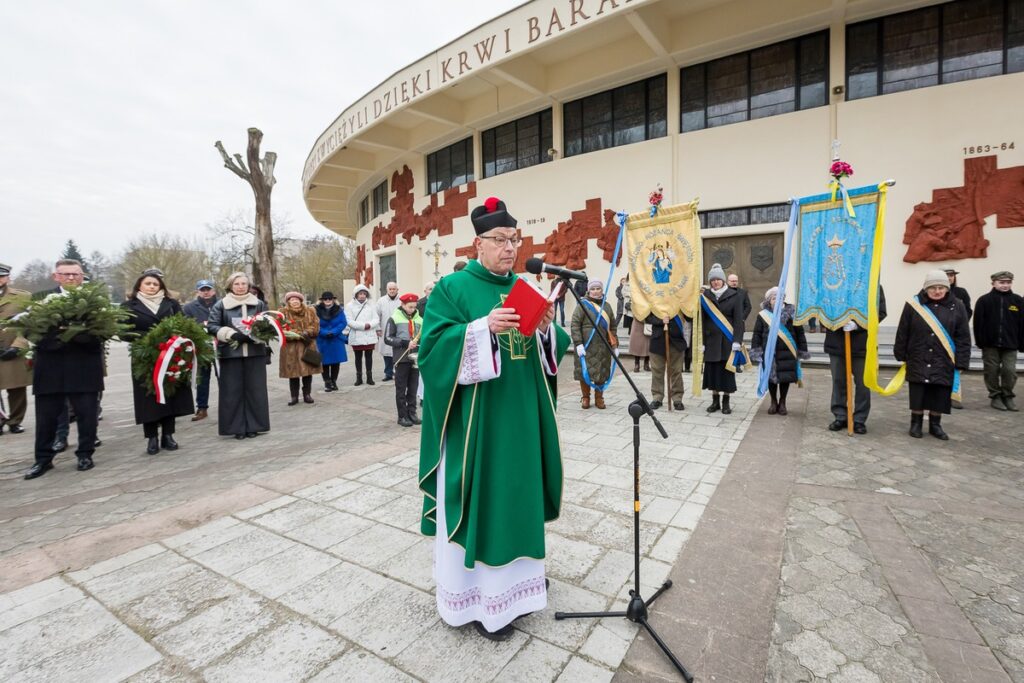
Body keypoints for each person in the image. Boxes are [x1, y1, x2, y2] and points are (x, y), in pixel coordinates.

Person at [417, 196, 570, 641]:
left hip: (521, 419)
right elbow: (431, 352)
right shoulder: (453, 289)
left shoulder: (525, 286)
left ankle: (521, 589)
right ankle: (484, 602)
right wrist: (482, 329)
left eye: (514, 239)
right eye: (499, 240)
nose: (509, 248)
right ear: (477, 244)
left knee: (519, 501)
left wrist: (546, 330)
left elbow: (551, 348)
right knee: (487, 503)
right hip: (478, 427)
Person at [25, 259, 102, 479]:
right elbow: (31, 331)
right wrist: (58, 340)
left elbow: (101, 331)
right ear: (55, 276)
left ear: (82, 276)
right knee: (46, 416)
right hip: (51, 366)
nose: (70, 278)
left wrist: (72, 334)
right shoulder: (40, 299)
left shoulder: (94, 300)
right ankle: (43, 459)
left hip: (84, 365)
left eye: (75, 274)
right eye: (65, 274)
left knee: (87, 415)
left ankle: (85, 454)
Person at [123, 272, 195, 455]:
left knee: (170, 395)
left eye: (156, 284)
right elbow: (123, 331)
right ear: (139, 286)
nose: (152, 286)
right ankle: (152, 437)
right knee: (148, 398)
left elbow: (183, 324)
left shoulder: (171, 304)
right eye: (148, 283)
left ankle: (168, 435)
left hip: (170, 356)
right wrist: (149, 338)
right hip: (144, 357)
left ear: (161, 287)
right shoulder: (129, 306)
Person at [893, 270, 971, 439]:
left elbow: (963, 335)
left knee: (939, 392)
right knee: (918, 391)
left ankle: (935, 425)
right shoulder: (914, 305)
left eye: (941, 287)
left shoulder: (957, 305)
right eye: (933, 287)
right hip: (918, 355)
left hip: (944, 358)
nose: (937, 291)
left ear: (947, 288)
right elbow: (903, 330)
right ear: (925, 288)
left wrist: (962, 361)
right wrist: (900, 353)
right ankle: (916, 423)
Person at [207, 272, 271, 439]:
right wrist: (231, 335)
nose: (241, 287)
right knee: (231, 391)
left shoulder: (258, 303)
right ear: (230, 286)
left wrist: (258, 335)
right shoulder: (221, 305)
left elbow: (268, 323)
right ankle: (236, 428)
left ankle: (255, 426)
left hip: (254, 352)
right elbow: (212, 326)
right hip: (230, 354)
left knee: (256, 390)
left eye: (244, 283)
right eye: (237, 284)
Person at [825, 287, 887, 434]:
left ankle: (859, 419)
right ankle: (840, 415)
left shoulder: (872, 282)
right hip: (837, 342)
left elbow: (880, 312)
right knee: (839, 381)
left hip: (862, 344)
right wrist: (834, 323)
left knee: (862, 384)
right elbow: (824, 310)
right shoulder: (834, 283)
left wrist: (858, 325)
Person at [749, 287, 809, 416]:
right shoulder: (763, 315)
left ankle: (783, 402)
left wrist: (802, 349)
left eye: (779, 297)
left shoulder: (792, 312)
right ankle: (773, 401)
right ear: (769, 300)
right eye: (774, 298)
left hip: (787, 350)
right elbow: (757, 334)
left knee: (784, 378)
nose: (777, 300)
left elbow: (800, 333)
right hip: (769, 351)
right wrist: (756, 350)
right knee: (770, 378)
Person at [973, 270, 1023, 412]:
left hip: (1010, 344)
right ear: (993, 283)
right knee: (992, 370)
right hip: (990, 344)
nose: (1005, 285)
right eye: (1002, 282)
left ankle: (1007, 395)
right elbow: (978, 323)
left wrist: (1021, 342)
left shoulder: (1018, 301)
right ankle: (995, 396)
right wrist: (980, 341)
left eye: (1008, 282)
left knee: (1009, 370)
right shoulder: (984, 300)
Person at [701, 263, 745, 414]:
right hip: (711, 341)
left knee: (726, 373)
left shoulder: (735, 296)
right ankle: (715, 402)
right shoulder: (705, 297)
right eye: (712, 280)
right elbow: (701, 321)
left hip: (728, 341)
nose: (715, 282)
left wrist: (737, 341)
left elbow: (739, 321)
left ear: (723, 280)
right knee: (712, 372)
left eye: (718, 279)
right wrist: (702, 342)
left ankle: (726, 402)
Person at [571, 279, 617, 409]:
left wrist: (615, 344)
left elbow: (612, 326)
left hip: (603, 346)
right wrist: (578, 343)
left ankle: (599, 398)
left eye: (598, 289)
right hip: (586, 346)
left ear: (602, 290)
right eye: (593, 289)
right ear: (588, 291)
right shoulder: (582, 304)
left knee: (601, 372)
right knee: (584, 373)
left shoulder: (606, 306)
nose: (596, 291)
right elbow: (575, 324)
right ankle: (585, 397)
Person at [0, 263, 32, 436]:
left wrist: (18, 345)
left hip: (12, 347)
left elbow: (29, 324)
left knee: (17, 388)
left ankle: (15, 421)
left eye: (1, 276)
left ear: (7, 277)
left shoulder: (22, 297)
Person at [384, 293, 423, 427]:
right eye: (409, 307)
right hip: (402, 358)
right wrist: (405, 343)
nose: (412, 309)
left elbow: (423, 337)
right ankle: (402, 416)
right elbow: (387, 338)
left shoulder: (420, 320)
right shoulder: (394, 318)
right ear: (403, 305)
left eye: (414, 307)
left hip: (416, 358)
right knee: (401, 388)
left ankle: (412, 413)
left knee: (413, 388)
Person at [182, 279, 218, 421]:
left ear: (213, 290)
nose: (206, 292)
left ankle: (228, 405)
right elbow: (185, 326)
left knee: (225, 377)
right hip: (201, 348)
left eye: (208, 289)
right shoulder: (189, 308)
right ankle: (202, 408)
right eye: (202, 290)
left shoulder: (221, 304)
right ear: (198, 292)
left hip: (221, 345)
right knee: (202, 379)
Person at [279, 292, 321, 406]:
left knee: (308, 372)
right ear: (288, 301)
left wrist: (307, 332)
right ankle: (294, 396)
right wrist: (297, 334)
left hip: (307, 345)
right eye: (292, 299)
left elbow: (315, 324)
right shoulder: (283, 313)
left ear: (301, 300)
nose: (295, 301)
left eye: (297, 299)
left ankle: (307, 394)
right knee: (293, 372)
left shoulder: (310, 311)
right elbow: (281, 328)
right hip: (290, 347)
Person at [645, 310, 687, 411]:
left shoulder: (679, 296)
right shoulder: (655, 296)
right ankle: (657, 398)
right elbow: (647, 317)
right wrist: (661, 320)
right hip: (657, 340)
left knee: (676, 371)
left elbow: (689, 316)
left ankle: (677, 399)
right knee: (657, 371)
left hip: (676, 341)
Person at [345, 285, 379, 386]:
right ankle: (359, 378)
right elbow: (349, 320)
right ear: (356, 294)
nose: (362, 296)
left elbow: (376, 318)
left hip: (369, 334)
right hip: (357, 335)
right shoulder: (349, 306)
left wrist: (370, 325)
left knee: (369, 356)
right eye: (360, 294)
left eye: (364, 294)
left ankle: (369, 377)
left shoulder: (371, 305)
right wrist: (363, 326)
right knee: (358, 357)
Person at [315, 291, 348, 392]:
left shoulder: (339, 310)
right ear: (322, 300)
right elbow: (315, 324)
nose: (328, 301)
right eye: (325, 299)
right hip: (322, 340)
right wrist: (324, 333)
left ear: (333, 299)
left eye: (330, 299)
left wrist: (333, 332)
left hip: (336, 338)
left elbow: (343, 322)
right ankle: (327, 382)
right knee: (324, 362)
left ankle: (333, 381)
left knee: (335, 362)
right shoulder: (316, 311)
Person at [376, 282, 401, 382]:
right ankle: (388, 373)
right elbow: (376, 316)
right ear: (387, 290)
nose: (392, 291)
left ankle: (398, 372)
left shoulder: (401, 300)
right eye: (390, 289)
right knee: (386, 353)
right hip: (385, 330)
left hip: (399, 330)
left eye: (394, 289)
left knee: (398, 352)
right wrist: (378, 328)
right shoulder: (381, 301)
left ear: (397, 289)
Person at [727, 273, 752, 373]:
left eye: (735, 281)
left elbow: (748, 307)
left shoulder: (743, 293)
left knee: (738, 344)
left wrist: (742, 318)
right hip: (727, 323)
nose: (734, 283)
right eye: (732, 281)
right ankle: (728, 363)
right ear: (727, 281)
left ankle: (736, 365)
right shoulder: (724, 292)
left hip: (739, 325)